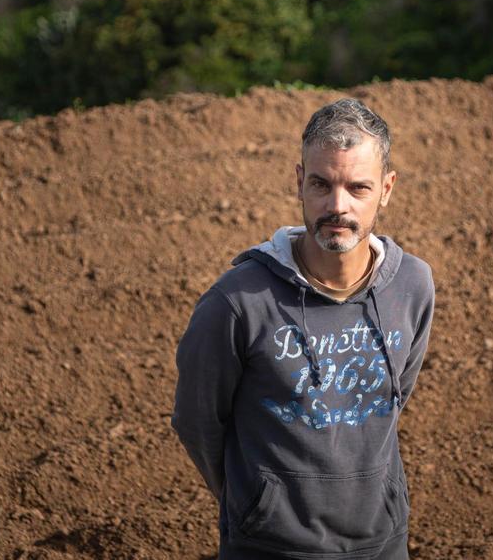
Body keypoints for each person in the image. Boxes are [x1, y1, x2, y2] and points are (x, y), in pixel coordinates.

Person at [172, 97, 436, 559]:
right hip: (270, 547)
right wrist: (259, 507)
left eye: (358, 188)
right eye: (321, 184)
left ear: (387, 189)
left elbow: (395, 398)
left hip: (381, 543)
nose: (337, 206)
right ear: (299, 182)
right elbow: (198, 423)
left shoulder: (413, 286)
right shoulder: (237, 302)